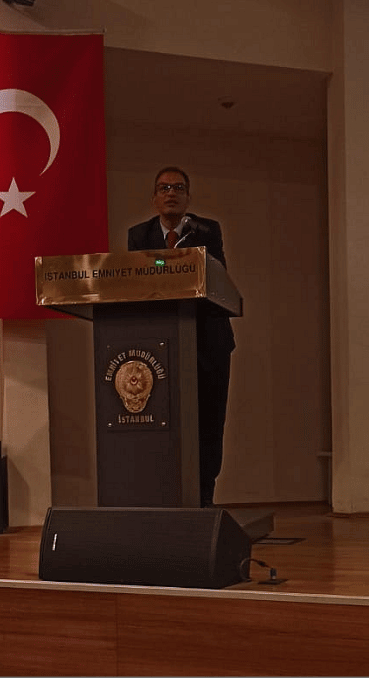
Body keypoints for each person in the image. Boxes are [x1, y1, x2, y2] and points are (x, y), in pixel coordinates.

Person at [127, 167, 236, 507]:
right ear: (154, 198)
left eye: (178, 187)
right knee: (163, 422)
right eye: (164, 188)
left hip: (208, 342)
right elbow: (137, 285)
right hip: (159, 344)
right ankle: (164, 496)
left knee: (208, 422)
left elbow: (216, 277)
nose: (171, 193)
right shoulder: (139, 235)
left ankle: (204, 499)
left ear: (188, 197)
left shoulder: (206, 230)